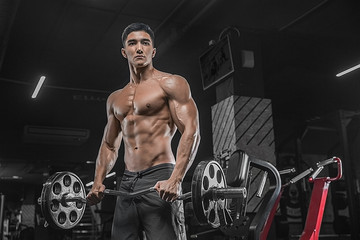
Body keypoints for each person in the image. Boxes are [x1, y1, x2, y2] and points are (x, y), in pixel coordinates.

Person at [86, 22, 200, 240]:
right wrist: (98, 180)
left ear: (153, 51)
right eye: (132, 43)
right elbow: (109, 144)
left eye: (145, 43)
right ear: (124, 51)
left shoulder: (171, 84)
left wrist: (176, 179)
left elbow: (192, 131)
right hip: (127, 181)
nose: (139, 48)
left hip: (160, 177)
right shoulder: (115, 99)